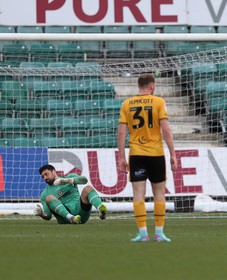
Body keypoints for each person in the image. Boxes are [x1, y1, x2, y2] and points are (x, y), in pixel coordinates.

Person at [118, 73, 177, 242]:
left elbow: (122, 131)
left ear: (139, 86)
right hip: (156, 154)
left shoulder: (127, 104)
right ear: (152, 86)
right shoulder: (158, 102)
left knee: (138, 194)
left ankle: (143, 233)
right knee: (159, 193)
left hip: (136, 154)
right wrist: (173, 154)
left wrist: (121, 157)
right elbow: (166, 130)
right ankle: (159, 233)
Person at [34, 164, 107, 224]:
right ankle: (70, 217)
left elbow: (85, 180)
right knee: (49, 198)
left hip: (81, 212)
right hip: (65, 219)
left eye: (46, 174)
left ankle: (100, 209)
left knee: (88, 188)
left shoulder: (69, 177)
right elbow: (48, 216)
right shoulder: (45, 193)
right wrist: (42, 214)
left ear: (54, 172)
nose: (45, 178)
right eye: (43, 176)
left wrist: (68, 181)